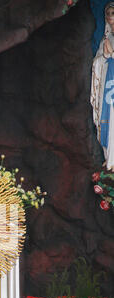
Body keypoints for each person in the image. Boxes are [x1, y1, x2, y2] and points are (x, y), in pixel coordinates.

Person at [91, 2, 114, 172]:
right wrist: (105, 56)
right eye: (107, 14)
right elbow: (98, 62)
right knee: (107, 119)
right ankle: (110, 157)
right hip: (108, 87)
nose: (110, 17)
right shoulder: (105, 39)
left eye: (112, 13)